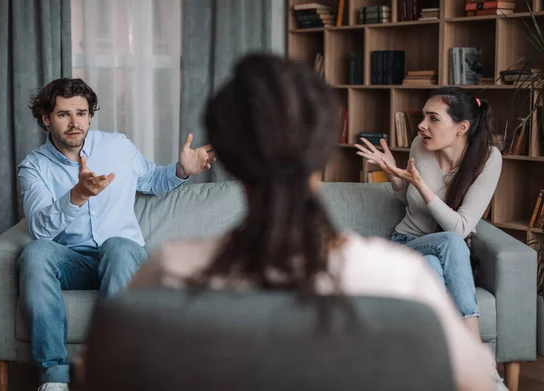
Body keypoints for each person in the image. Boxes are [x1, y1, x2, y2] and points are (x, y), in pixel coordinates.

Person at [127, 53, 494, 391]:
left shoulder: (167, 271)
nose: (423, 127)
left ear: (227, 158)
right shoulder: (401, 277)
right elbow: (476, 383)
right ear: (323, 152)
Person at [16, 77, 216, 391]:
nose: (74, 123)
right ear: (46, 119)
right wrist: (78, 195)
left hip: (122, 258)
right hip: (75, 263)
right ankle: (55, 379)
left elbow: (151, 180)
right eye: (63, 114)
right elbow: (40, 228)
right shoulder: (34, 167)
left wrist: (181, 170)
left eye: (81, 113)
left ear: (90, 116)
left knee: (118, 246)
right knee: (34, 253)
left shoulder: (117, 146)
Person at [354, 86, 504, 388]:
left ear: (461, 128)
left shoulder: (488, 159)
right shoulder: (419, 145)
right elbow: (406, 198)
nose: (422, 125)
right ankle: (475, 351)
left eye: (433, 118)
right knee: (448, 244)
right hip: (406, 245)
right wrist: (396, 176)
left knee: (441, 257)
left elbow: (460, 227)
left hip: (448, 255)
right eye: (423, 116)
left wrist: (421, 185)